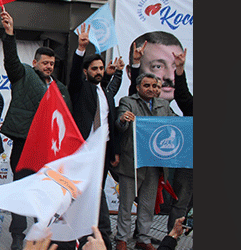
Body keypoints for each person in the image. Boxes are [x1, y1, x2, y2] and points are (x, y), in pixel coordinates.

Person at [0, 10, 72, 248]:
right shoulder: (24, 75)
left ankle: (42, 234)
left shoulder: (60, 88)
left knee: (46, 192)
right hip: (24, 143)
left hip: (49, 149)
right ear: (35, 63)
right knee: (22, 188)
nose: (48, 67)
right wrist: (9, 34)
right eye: (45, 63)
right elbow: (11, 60)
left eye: (52, 64)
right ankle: (18, 235)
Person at [125, 32, 194, 231]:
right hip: (188, 164)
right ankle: (172, 238)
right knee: (181, 204)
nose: (166, 78)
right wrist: (180, 70)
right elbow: (181, 95)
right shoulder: (191, 105)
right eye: (157, 66)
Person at [67, 26, 123, 250]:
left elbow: (109, 125)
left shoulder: (104, 92)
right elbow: (73, 79)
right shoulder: (81, 89)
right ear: (86, 71)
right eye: (94, 68)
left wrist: (113, 153)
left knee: (96, 197)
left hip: (101, 154)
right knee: (82, 197)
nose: (98, 71)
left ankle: (101, 240)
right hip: (82, 152)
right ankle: (78, 238)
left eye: (101, 68)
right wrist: (81, 48)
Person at [114, 74, 178, 250]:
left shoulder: (163, 105)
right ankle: (122, 238)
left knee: (147, 205)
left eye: (154, 86)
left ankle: (143, 238)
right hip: (132, 162)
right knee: (126, 205)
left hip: (154, 163)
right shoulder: (128, 101)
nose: (150, 89)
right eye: (146, 85)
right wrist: (122, 119)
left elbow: (175, 124)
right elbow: (119, 124)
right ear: (138, 87)